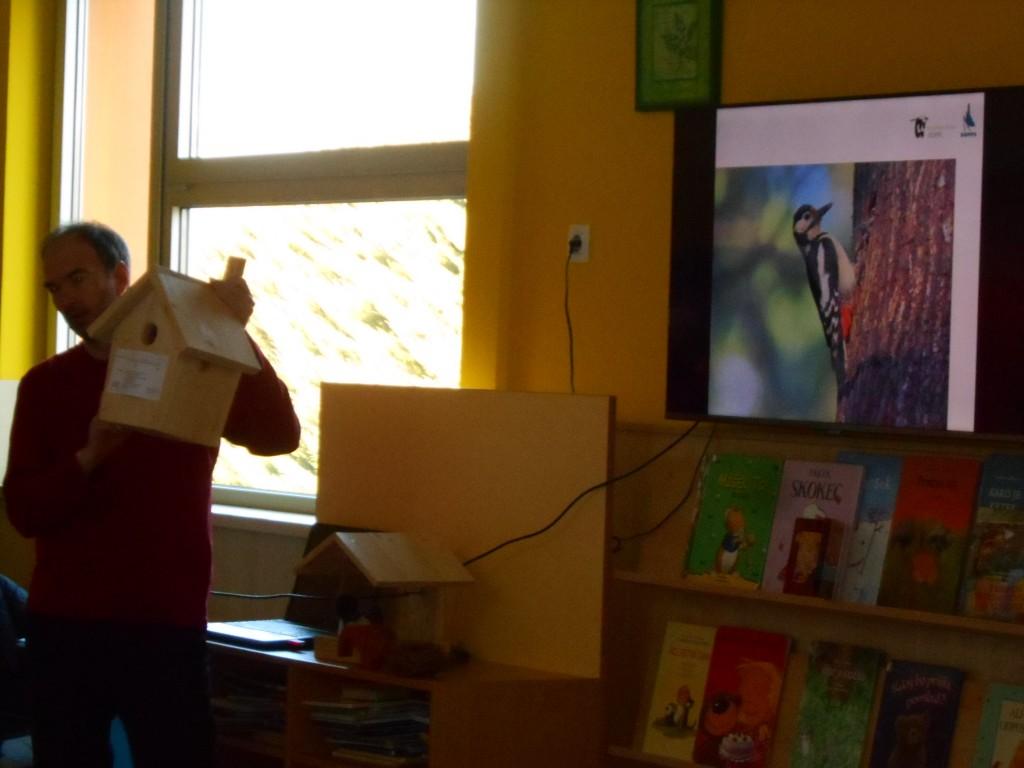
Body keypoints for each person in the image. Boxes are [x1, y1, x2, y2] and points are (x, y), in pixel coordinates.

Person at [3, 222, 301, 767]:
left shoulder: (195, 369)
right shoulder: (46, 385)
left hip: (165, 622)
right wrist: (88, 459)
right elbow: (23, 510)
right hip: (67, 625)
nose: (66, 300)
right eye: (54, 288)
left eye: (77, 279)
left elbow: (280, 436)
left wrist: (230, 331)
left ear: (120, 276)